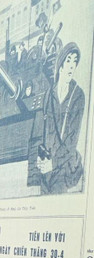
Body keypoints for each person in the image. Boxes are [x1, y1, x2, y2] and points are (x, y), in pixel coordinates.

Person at [35, 42, 86, 194]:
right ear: (61, 63)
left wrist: (54, 163)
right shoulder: (48, 96)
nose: (71, 66)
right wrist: (40, 158)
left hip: (63, 168)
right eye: (68, 60)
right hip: (46, 169)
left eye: (74, 61)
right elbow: (41, 132)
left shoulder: (78, 96)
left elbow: (72, 141)